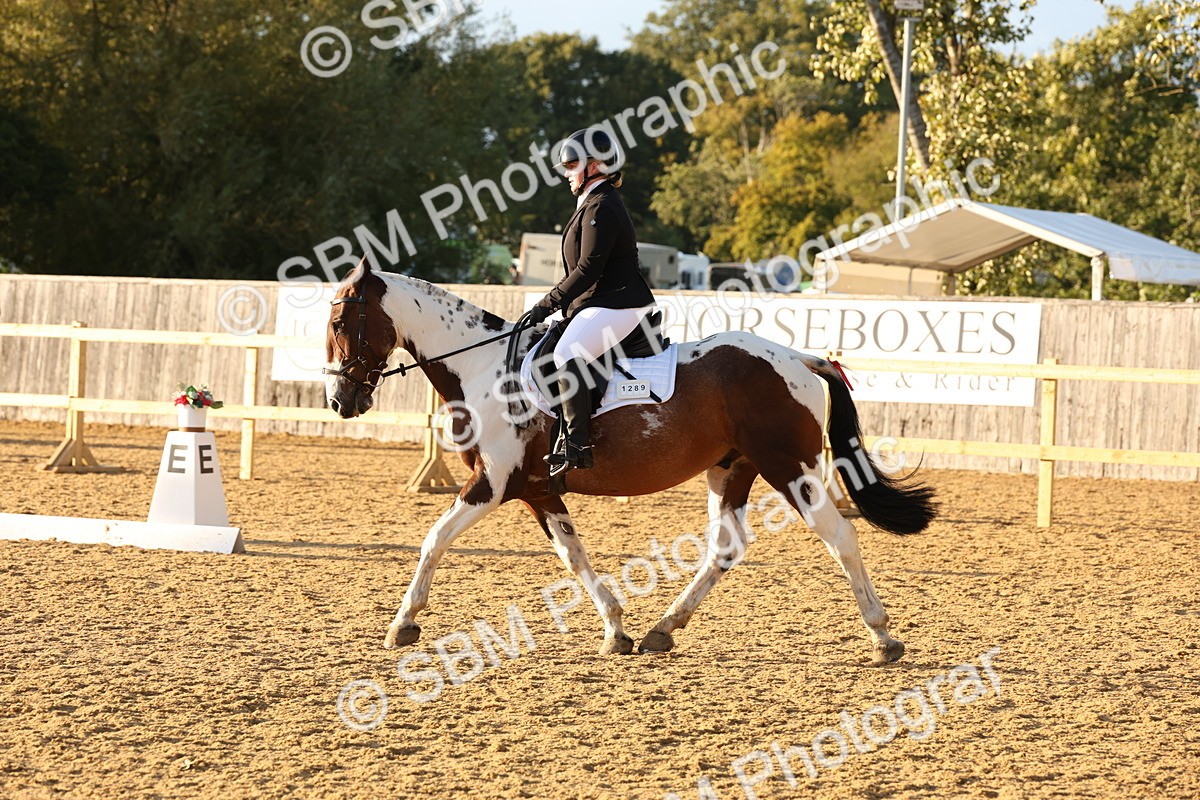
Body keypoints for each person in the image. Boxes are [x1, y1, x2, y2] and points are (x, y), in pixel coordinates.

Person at [527, 127, 656, 478]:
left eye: (572, 164)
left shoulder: (604, 206)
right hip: (599, 304)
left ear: (596, 165)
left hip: (620, 305)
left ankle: (577, 445)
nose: (566, 172)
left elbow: (587, 268)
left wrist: (545, 304)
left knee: (567, 354)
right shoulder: (590, 204)